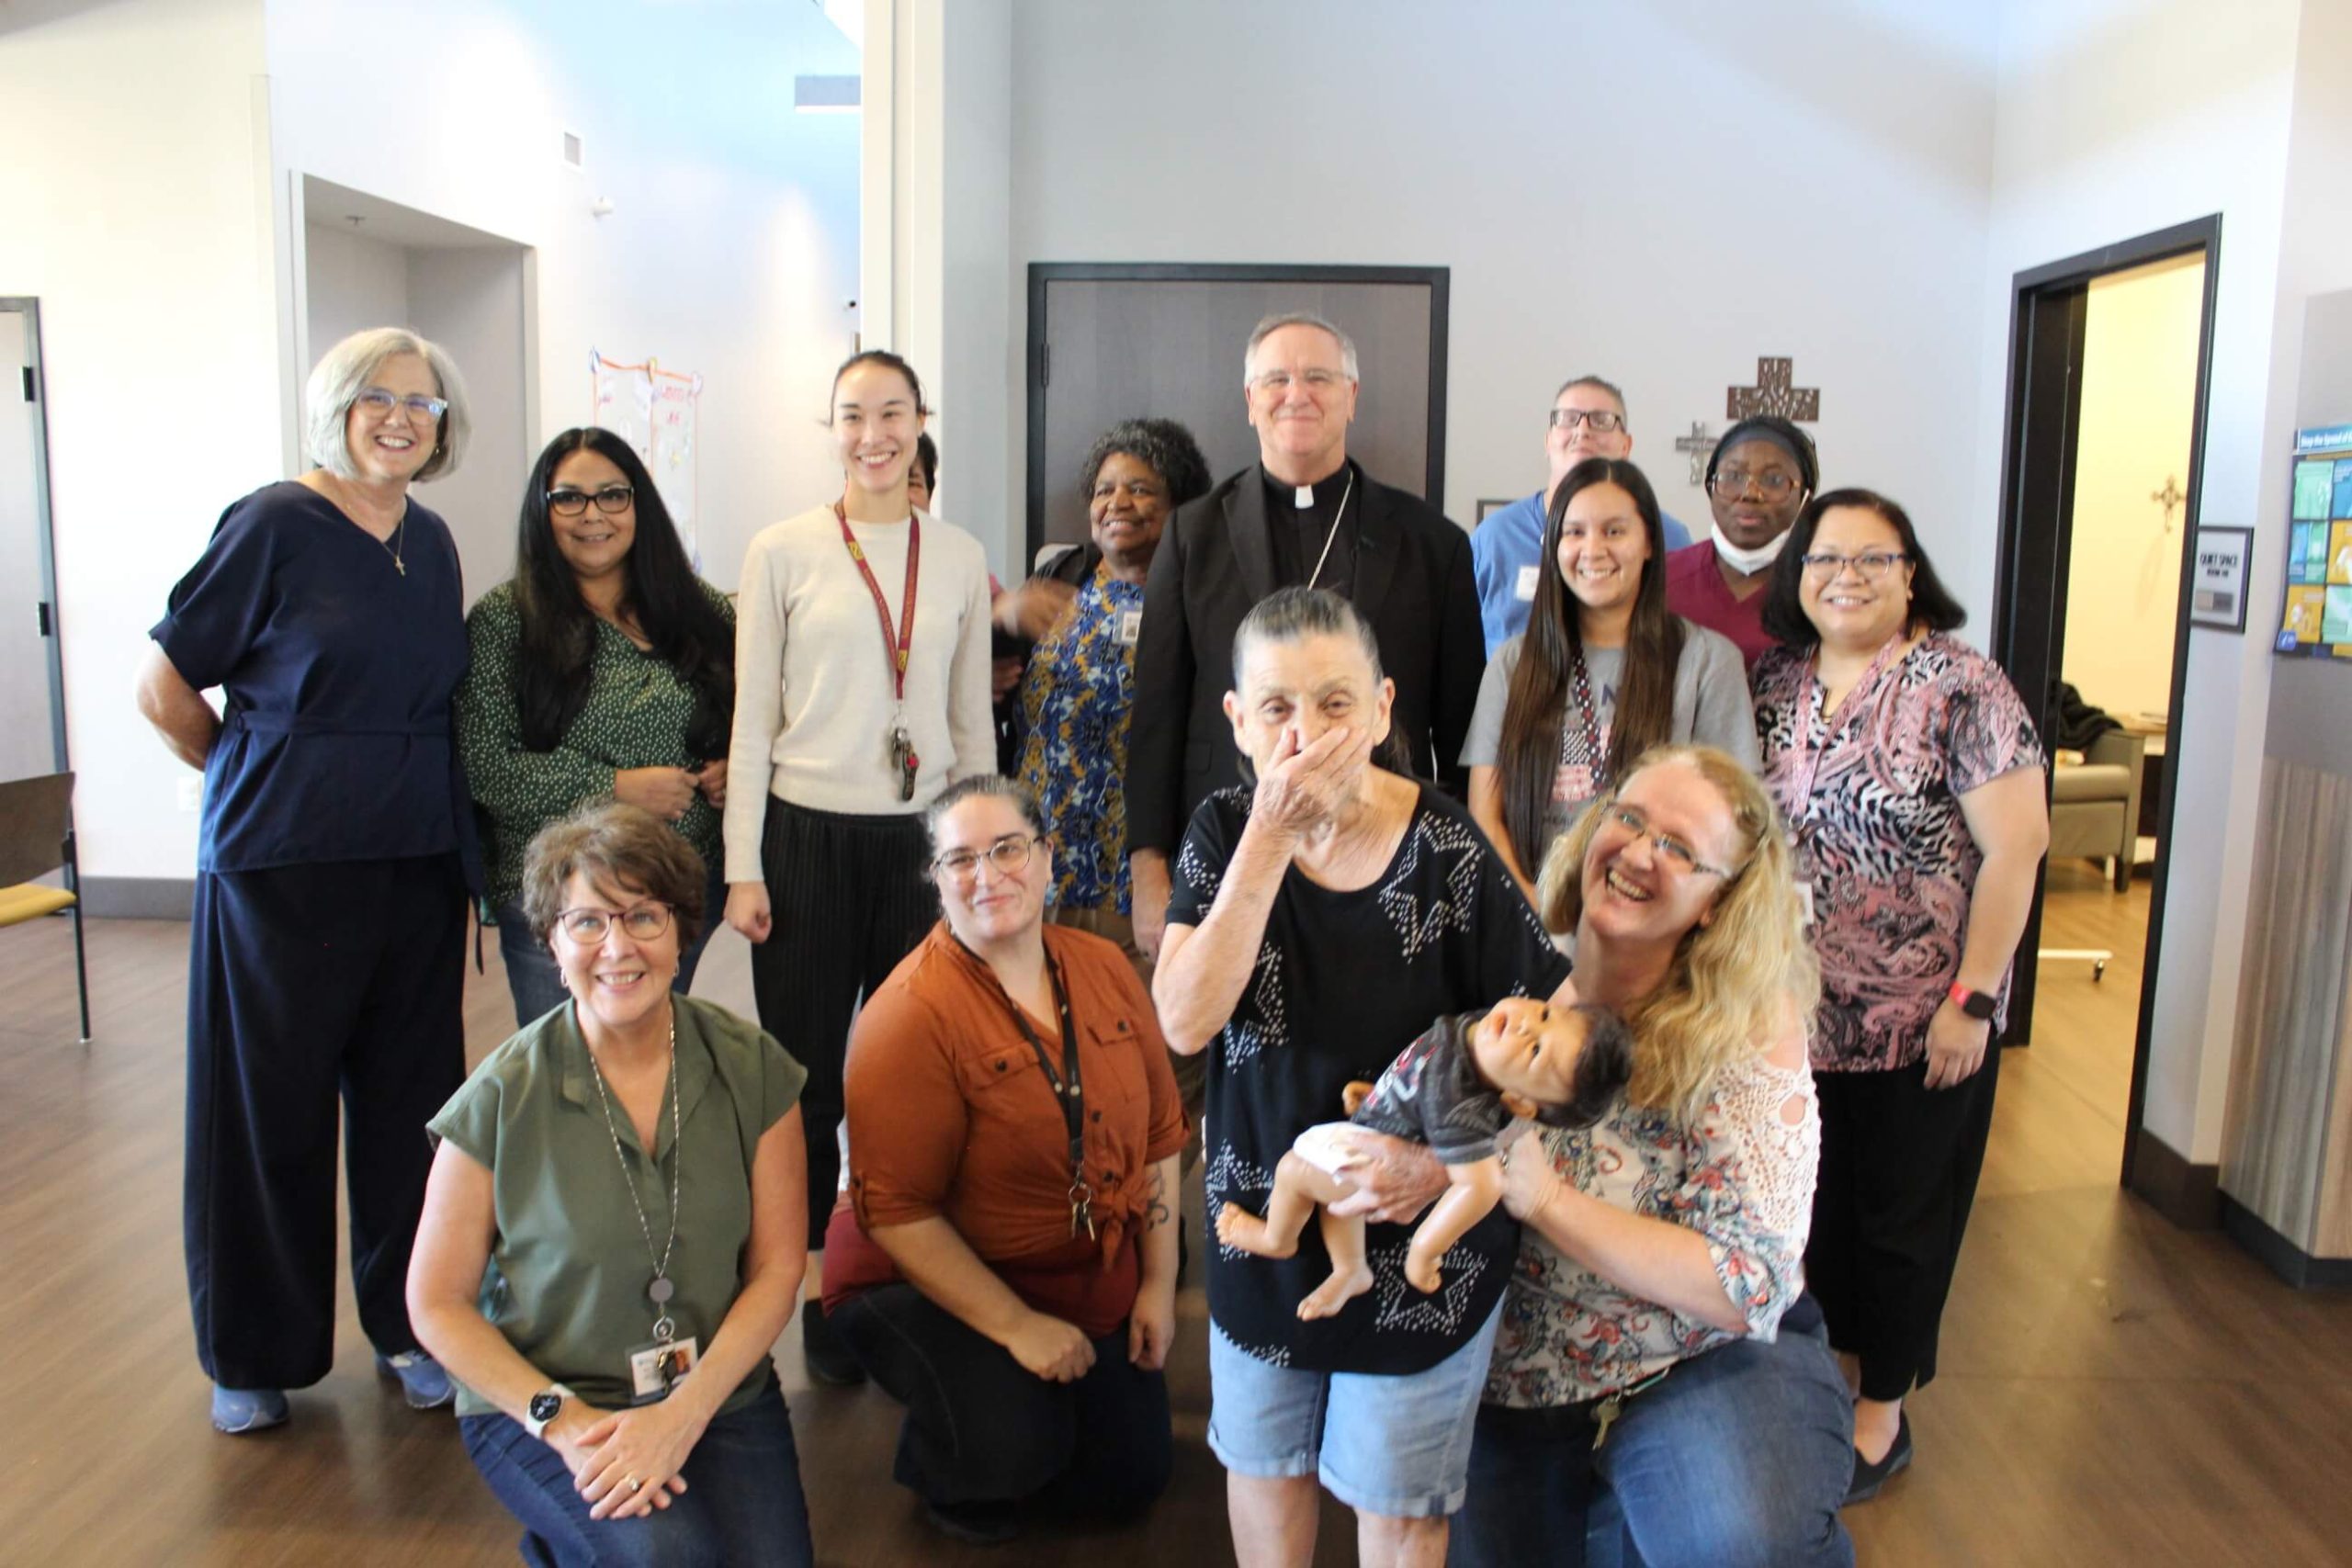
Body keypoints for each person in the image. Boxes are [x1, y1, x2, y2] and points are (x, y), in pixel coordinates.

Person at [1154, 587, 1572, 1568]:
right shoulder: (1222, 830)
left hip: (1425, 1245)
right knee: (1266, 1477)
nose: (1306, 736)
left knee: (1396, 1513)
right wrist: (1269, 838)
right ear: (1238, 721)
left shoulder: (1448, 846)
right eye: (1276, 709)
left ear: (1383, 709)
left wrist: (1444, 1171)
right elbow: (1184, 1020)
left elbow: (1555, 1049)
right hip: (1265, 1227)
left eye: (1335, 704)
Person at [135, 326, 475, 1435]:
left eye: (420, 403)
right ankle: (254, 1353)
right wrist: (256, 774)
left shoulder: (431, 541)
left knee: (409, 1114)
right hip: (282, 870)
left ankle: (409, 1330)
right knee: (265, 1114)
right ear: (336, 408)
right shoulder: (274, 523)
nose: (399, 419)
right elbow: (164, 688)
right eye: (377, 397)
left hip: (416, 862)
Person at [1420, 745, 1857, 1566]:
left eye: (1680, 848)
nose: (1638, 852)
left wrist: (1547, 1199)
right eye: (1628, 818)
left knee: (1734, 1541)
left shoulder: (1743, 1020)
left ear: (1718, 903)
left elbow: (1749, 1279)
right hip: (1517, 1377)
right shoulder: (1516, 955)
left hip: (1694, 1358)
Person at [408, 803, 814, 1568]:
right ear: (552, 944)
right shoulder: (500, 1097)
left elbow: (776, 1269)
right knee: (668, 1558)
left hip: (715, 1388)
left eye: (643, 916)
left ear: (683, 931)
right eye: (587, 922)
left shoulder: (753, 1066)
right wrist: (560, 1422)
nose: (617, 947)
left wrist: (683, 1416)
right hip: (550, 1397)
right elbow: (435, 1303)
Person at [1753, 490, 2049, 1501]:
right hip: (1790, 1016)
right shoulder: (1775, 680)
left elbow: (2018, 848)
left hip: (1920, 1022)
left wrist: (1974, 997)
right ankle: (1823, 1385)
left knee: (1900, 1220)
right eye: (1824, 558)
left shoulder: (1962, 686)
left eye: (1871, 558)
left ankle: (1880, 1413)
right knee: (1815, 1215)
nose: (1845, 576)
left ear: (1910, 572)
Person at [724, 348, 995, 1385]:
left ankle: (895, 1277)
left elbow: (971, 726)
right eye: (852, 415)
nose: (872, 435)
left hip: (918, 846)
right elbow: (753, 722)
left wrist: (979, 859)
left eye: (891, 413)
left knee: (907, 1079)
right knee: (802, 1083)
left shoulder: (957, 555)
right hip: (803, 839)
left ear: (920, 421)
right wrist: (743, 864)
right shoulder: (781, 550)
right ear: (830, 427)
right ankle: (809, 1292)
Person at [823, 775, 1186, 1545]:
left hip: (1078, 1260)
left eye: (1008, 849)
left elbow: (1159, 1138)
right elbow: (899, 1214)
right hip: (917, 1271)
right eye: (960, 859)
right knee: (1012, 1454)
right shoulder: (906, 1014)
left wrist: (1157, 1283)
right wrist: (1018, 1327)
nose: (987, 876)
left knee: (1130, 1479)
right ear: (935, 878)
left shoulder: (1105, 966)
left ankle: (1014, 1401)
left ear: (1048, 856)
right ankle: (950, 1440)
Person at [1127, 312, 1487, 963]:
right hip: (1227, 840)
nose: (1297, 394)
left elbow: (1463, 729)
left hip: (1387, 847)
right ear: (1250, 401)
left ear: (1352, 396)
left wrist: (1460, 857)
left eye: (1319, 377)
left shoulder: (1433, 543)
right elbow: (1156, 715)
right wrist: (1148, 865)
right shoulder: (1191, 535)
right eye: (1277, 380)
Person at [460, 427, 735, 1027]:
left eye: (613, 495)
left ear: (640, 504)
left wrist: (732, 766)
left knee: (656, 1055)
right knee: (571, 1067)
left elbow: (755, 713)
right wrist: (616, 788)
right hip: (561, 898)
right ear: (543, 510)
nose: (593, 515)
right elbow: (487, 766)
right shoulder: (504, 621)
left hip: (677, 888)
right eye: (569, 498)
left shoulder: (699, 608)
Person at [1216, 1000, 1630, 1320]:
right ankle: (1351, 1269)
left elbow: (1482, 1184)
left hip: (1379, 1159)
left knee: (1296, 1170)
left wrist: (1425, 1250)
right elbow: (1422, 1081)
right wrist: (1384, 1099)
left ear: (1520, 1101)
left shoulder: (1460, 1104)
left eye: (1536, 1050)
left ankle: (1277, 1238)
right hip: (1379, 1123)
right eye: (1545, 1014)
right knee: (1338, 1201)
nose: (1525, 1026)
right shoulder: (1483, 1037)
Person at [1464, 457, 1757, 907]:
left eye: (1614, 531)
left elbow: (1731, 818)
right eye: (1574, 532)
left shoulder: (1707, 661)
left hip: (1658, 922)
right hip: (1529, 921)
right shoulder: (1513, 663)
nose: (1593, 549)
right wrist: (1541, 917)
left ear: (1649, 543)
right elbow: (1486, 815)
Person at [1472, 377, 1692, 656]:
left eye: (1601, 420)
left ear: (1626, 446)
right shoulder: (1496, 536)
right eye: (1568, 418)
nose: (1583, 430)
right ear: (1548, 441)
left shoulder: (1667, 536)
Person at [1664, 416, 1820, 666]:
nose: (1750, 494)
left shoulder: (1822, 585)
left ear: (1805, 499)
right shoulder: (1659, 577)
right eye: (1733, 476)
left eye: (1774, 480)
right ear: (1710, 487)